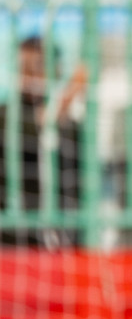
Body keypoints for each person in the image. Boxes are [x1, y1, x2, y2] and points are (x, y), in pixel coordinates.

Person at [0, 36, 84, 246]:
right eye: (23, 67)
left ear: (56, 70)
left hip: (64, 238)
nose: (29, 75)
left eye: (37, 66)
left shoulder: (71, 125)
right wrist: (69, 94)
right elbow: (37, 125)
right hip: (13, 239)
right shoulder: (5, 115)